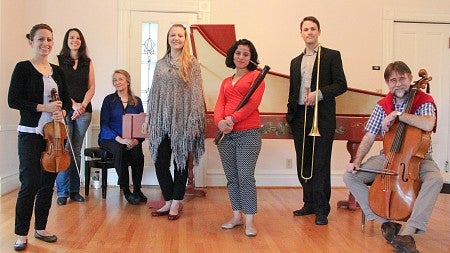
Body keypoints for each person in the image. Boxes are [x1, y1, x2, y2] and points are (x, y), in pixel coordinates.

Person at [343, 61, 443, 253]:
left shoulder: (423, 100)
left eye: (402, 78)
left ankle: (409, 230)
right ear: (388, 84)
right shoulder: (382, 105)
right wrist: (356, 161)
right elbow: (370, 135)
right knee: (350, 176)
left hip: (419, 159)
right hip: (388, 157)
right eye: (393, 80)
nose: (398, 84)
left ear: (410, 79)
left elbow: (429, 124)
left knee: (435, 179)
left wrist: (399, 115)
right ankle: (386, 223)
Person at [8, 23, 71, 251]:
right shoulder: (23, 68)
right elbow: (13, 100)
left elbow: (65, 101)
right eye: (41, 39)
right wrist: (44, 107)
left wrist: (62, 111)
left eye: (49, 40)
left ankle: (41, 228)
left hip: (55, 134)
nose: (46, 44)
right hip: (31, 133)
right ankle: (21, 234)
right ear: (31, 42)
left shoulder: (58, 71)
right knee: (30, 182)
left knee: (47, 184)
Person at [286, 16, 347, 225]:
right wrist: (290, 115)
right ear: (301, 33)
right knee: (304, 161)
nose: (309, 32)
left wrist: (319, 94)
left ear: (319, 32)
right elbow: (293, 90)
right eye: (305, 29)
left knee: (320, 163)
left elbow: (341, 84)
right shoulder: (295, 61)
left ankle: (322, 209)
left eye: (313, 29)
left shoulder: (331, 56)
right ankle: (309, 203)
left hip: (321, 116)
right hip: (301, 116)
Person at [145, 24, 205, 221]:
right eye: (173, 35)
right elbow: (153, 93)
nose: (176, 38)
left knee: (180, 163)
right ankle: (169, 199)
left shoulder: (192, 63)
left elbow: (196, 94)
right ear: (168, 38)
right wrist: (149, 117)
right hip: (161, 122)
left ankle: (177, 202)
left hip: (183, 122)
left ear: (185, 39)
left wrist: (194, 121)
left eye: (180, 35)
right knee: (160, 162)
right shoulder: (160, 64)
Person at [214, 39, 265, 237]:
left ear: (251, 58)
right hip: (226, 135)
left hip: (248, 133)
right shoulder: (226, 81)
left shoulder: (257, 76)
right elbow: (220, 104)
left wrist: (233, 119)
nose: (241, 57)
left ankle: (250, 220)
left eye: (246, 54)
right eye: (238, 53)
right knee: (232, 178)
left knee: (245, 177)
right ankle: (236, 216)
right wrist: (219, 122)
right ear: (232, 55)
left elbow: (253, 103)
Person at [55, 28, 95, 205]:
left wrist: (82, 106)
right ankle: (62, 192)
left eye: (78, 38)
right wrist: (73, 105)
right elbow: (58, 88)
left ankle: (74, 191)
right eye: (72, 37)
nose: (75, 40)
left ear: (82, 41)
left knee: (76, 151)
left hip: (84, 112)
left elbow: (91, 87)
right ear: (67, 40)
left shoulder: (88, 62)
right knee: (65, 151)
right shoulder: (59, 61)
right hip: (66, 110)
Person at [98, 69, 146, 205]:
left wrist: (137, 140)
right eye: (115, 80)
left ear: (128, 81)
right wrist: (120, 139)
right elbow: (104, 124)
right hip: (110, 139)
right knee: (120, 149)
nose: (117, 82)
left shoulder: (137, 102)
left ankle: (137, 189)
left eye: (120, 79)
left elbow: (141, 124)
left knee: (137, 153)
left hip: (131, 139)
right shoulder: (109, 100)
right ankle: (125, 190)